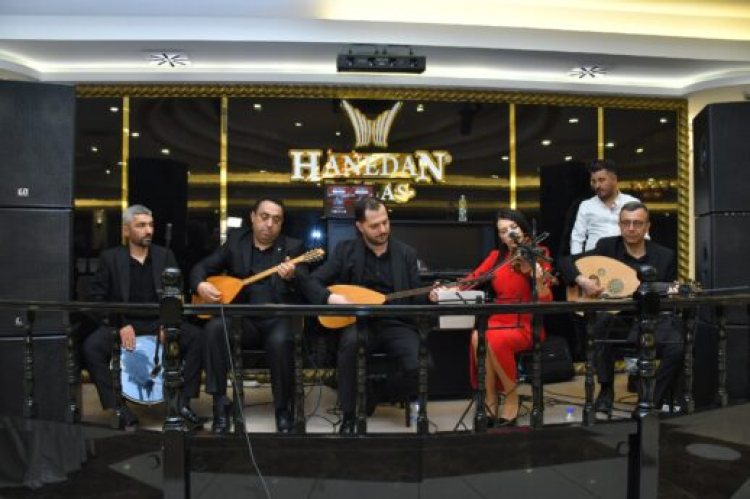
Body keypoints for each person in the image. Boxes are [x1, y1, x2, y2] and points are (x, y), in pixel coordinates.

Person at [302, 197, 424, 435]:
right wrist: (330, 298)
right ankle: (349, 417)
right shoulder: (345, 251)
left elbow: (417, 298)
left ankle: (376, 391)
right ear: (359, 226)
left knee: (423, 366)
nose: (383, 230)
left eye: (385, 222)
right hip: (360, 321)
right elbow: (312, 281)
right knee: (349, 346)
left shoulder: (406, 254)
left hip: (396, 322)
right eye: (375, 226)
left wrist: (432, 296)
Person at [81, 205, 205, 430]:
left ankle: (182, 403)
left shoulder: (165, 255)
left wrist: (168, 323)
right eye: (141, 225)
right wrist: (119, 324)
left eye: (150, 225)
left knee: (196, 337)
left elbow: (177, 295)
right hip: (124, 321)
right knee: (92, 347)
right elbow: (96, 299)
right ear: (126, 230)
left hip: (158, 322)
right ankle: (118, 407)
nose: (148, 230)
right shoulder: (110, 258)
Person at [191, 197, 307, 434]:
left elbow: (306, 284)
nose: (269, 224)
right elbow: (201, 267)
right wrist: (200, 285)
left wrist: (292, 277)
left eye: (276, 220)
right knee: (214, 328)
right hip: (242, 319)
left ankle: (283, 409)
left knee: (281, 340)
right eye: (264, 217)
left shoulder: (293, 248)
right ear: (253, 217)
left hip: (276, 319)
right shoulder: (236, 242)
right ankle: (220, 405)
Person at [559, 201, 683, 415]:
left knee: (678, 347)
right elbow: (565, 262)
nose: (631, 228)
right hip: (618, 323)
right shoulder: (607, 247)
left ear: (647, 227)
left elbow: (667, 295)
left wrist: (672, 293)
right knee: (603, 320)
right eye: (626, 223)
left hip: (651, 320)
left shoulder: (665, 256)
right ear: (620, 225)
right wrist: (582, 281)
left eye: (637, 223)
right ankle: (606, 391)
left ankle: (652, 400)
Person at [432, 209, 553, 426]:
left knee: (493, 338)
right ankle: (490, 398)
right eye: (504, 231)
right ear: (500, 237)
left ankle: (512, 398)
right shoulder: (497, 257)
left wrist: (537, 277)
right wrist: (445, 291)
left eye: (513, 228)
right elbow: (472, 280)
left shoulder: (539, 253)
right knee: (477, 337)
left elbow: (546, 299)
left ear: (523, 229)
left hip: (526, 322)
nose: (510, 234)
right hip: (499, 318)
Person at [570, 159, 641, 254]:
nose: (597, 186)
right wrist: (577, 261)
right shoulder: (586, 205)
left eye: (601, 180)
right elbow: (577, 239)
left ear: (614, 179)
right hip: (593, 259)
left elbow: (642, 236)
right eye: (594, 181)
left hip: (623, 259)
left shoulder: (631, 202)